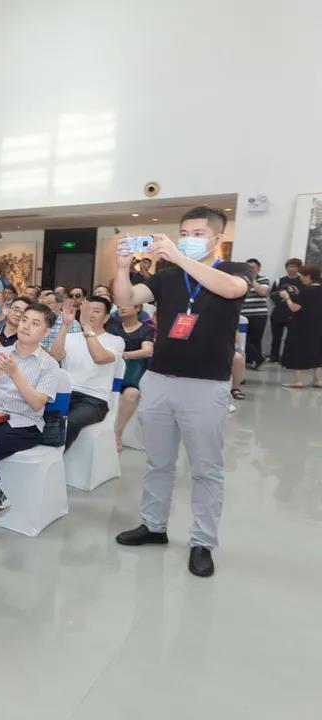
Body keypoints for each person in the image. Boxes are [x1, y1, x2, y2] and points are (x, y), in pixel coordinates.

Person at [112, 206, 254, 578]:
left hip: (206, 385)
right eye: (184, 232)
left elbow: (229, 290)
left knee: (206, 469)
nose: (189, 239)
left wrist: (177, 256)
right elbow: (127, 299)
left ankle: (202, 541)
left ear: (217, 237)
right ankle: (154, 525)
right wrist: (123, 267)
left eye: (197, 233)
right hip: (159, 379)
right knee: (158, 462)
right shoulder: (168, 277)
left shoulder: (236, 270)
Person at [0, 303, 59, 541]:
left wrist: (15, 373)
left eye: (35, 323)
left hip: (25, 424)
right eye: (24, 320)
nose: (26, 326)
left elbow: (37, 404)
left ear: (46, 331)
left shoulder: (49, 365)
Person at [50, 296, 124, 449]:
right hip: (65, 394)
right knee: (40, 418)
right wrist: (65, 325)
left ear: (106, 318)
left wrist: (86, 327)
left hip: (94, 400)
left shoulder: (116, 341)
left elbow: (99, 357)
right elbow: (55, 357)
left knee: (69, 423)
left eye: (96, 311)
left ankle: (56, 459)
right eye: (87, 310)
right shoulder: (70, 338)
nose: (90, 315)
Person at [108, 302, 155, 450]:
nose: (121, 307)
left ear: (138, 308)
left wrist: (124, 355)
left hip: (133, 369)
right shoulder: (113, 327)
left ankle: (118, 433)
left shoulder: (147, 329)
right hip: (112, 368)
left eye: (126, 305)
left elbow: (147, 350)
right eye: (120, 306)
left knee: (132, 393)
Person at [278, 263, 322, 388]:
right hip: (318, 326)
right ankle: (318, 380)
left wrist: (287, 298)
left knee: (298, 350)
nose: (301, 278)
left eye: (302, 276)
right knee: (317, 350)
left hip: (302, 326)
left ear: (308, 276)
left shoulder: (306, 292)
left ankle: (298, 380)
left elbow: (295, 308)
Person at [268, 258, 303, 363]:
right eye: (290, 266)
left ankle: (290, 357)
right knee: (276, 337)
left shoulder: (302, 281)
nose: (292, 269)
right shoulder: (279, 280)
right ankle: (274, 356)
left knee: (292, 338)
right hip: (278, 313)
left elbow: (304, 297)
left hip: (295, 314)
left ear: (299, 268)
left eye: (295, 266)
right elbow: (272, 295)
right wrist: (281, 297)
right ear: (286, 267)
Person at [240, 258, 271, 369]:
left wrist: (252, 279)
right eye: (248, 267)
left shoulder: (264, 279)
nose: (250, 269)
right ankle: (257, 359)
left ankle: (255, 360)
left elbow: (262, 292)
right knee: (243, 339)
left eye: (253, 268)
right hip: (243, 314)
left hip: (258, 314)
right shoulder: (241, 279)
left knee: (255, 339)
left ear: (258, 269)